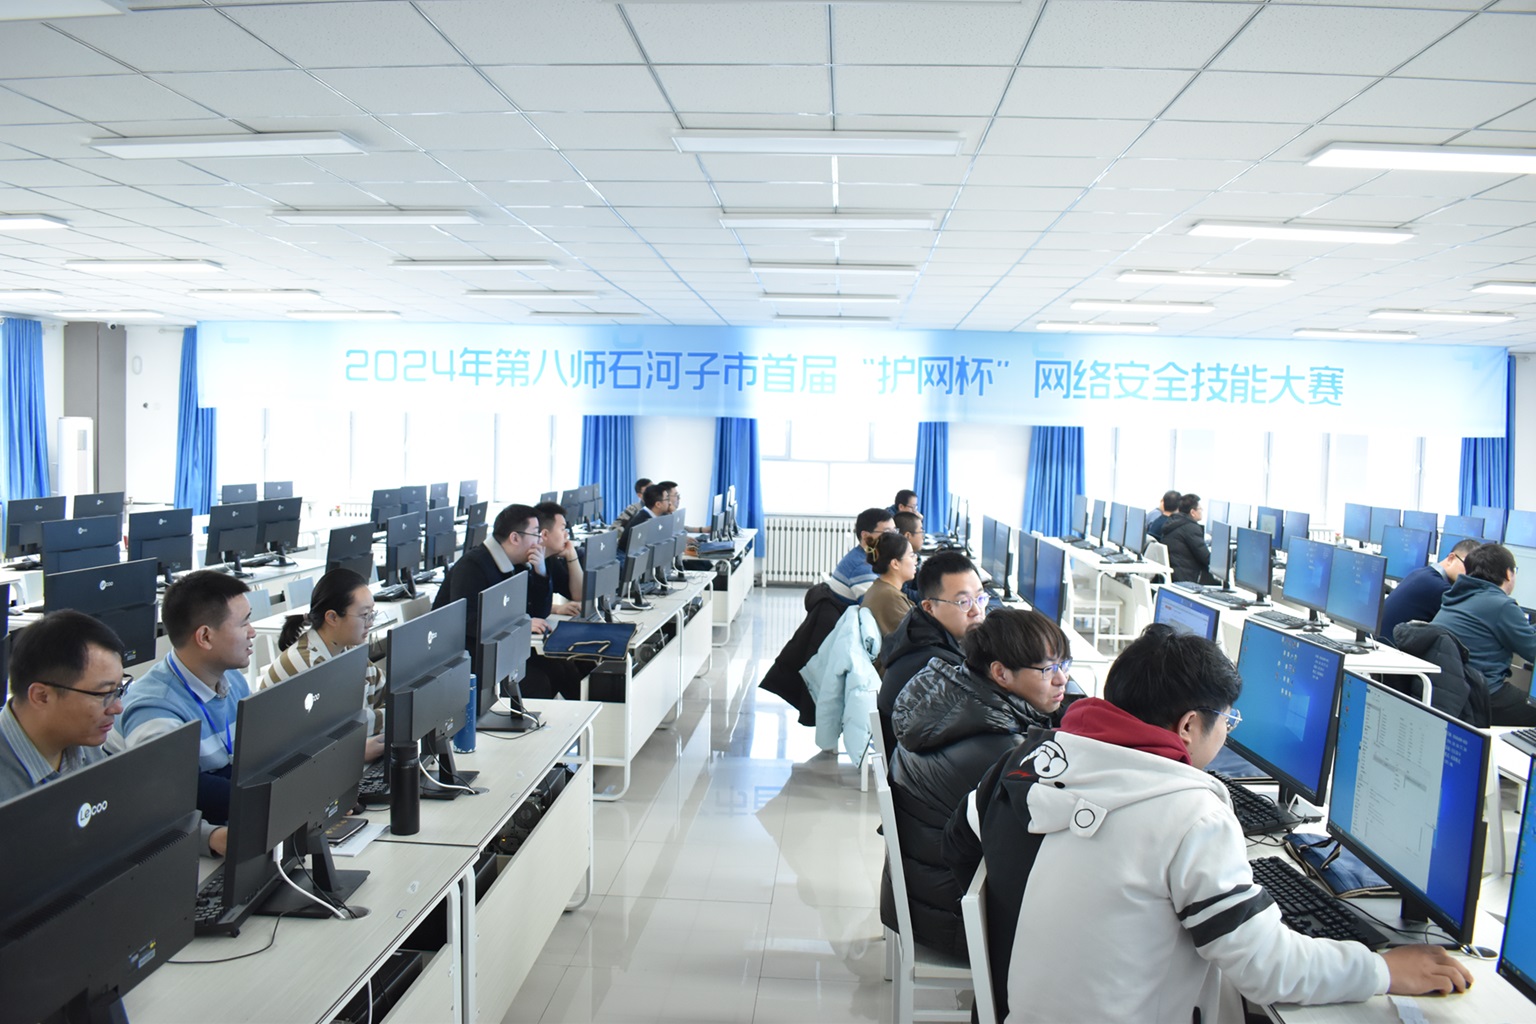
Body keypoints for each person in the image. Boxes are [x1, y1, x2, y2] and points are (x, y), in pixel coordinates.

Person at [943, 624, 1471, 1024]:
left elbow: (960, 842)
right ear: (1190, 725)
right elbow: (1265, 967)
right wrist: (1383, 969)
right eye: (1227, 720)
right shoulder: (1188, 813)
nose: (1227, 734)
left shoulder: (1028, 758)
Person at [883, 608, 1073, 959]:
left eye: (1065, 664)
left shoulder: (948, 697)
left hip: (923, 896)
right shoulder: (1000, 751)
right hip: (958, 918)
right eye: (1048, 670)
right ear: (1000, 673)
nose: (1062, 680)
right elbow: (1034, 852)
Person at [118, 569, 258, 856]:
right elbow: (165, 801)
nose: (252, 631)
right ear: (205, 637)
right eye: (244, 622)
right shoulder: (154, 710)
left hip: (227, 821)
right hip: (177, 847)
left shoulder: (232, 680)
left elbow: (253, 758)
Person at [260, 567, 386, 762]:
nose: (370, 622)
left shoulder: (347, 650)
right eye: (364, 615)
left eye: (372, 613)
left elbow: (389, 694)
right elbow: (338, 732)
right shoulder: (306, 665)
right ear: (332, 617)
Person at [0, 610, 127, 803]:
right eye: (103, 693)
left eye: (117, 690)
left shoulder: (83, 743)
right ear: (41, 696)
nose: (117, 708)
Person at [877, 550, 988, 757]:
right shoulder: (935, 666)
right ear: (929, 607)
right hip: (913, 767)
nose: (977, 611)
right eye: (964, 602)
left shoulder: (916, 631)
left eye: (980, 598)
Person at [1433, 542, 1536, 725]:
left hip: (1451, 690)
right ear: (1508, 573)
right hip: (1481, 695)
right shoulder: (1501, 605)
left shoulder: (1456, 595)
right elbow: (1532, 650)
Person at [434, 503, 548, 643]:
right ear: (515, 538)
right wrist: (518, 624)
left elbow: (539, 613)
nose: (540, 540)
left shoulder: (519, 565)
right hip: (465, 650)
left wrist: (541, 572)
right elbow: (466, 621)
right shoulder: (472, 566)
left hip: (499, 645)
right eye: (536, 534)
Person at [1378, 537, 1480, 645]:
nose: (1469, 574)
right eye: (1467, 567)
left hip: (1382, 642)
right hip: (1391, 647)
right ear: (1451, 558)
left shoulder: (1422, 573)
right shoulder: (1440, 588)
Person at [828, 507, 895, 604]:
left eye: (894, 531)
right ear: (866, 536)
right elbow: (877, 606)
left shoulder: (865, 556)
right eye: (887, 532)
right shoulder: (862, 567)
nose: (894, 538)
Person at [531, 500, 584, 617]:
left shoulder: (550, 560)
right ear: (545, 534)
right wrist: (556, 608)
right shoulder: (526, 562)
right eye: (562, 529)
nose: (566, 535)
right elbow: (524, 607)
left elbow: (579, 596)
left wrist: (572, 556)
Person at [862, 532, 917, 638]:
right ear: (895, 564)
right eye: (911, 556)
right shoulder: (890, 596)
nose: (916, 561)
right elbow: (918, 636)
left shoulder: (881, 587)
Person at [1161, 492, 1212, 584]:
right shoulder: (1191, 528)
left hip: (1176, 574)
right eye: (1200, 509)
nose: (1202, 510)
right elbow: (1206, 558)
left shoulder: (1172, 521)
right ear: (1192, 512)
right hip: (1187, 577)